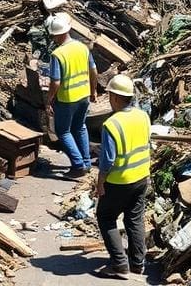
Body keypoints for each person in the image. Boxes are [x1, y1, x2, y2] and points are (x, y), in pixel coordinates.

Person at [95, 74, 151, 279]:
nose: (109, 99)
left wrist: (100, 184)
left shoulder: (112, 124)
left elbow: (107, 161)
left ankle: (119, 264)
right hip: (141, 177)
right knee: (134, 219)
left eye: (110, 95)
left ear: (117, 98)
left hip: (120, 181)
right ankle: (138, 263)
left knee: (106, 216)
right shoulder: (143, 115)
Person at [46, 14, 97, 178]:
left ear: (58, 34)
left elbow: (55, 81)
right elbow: (93, 70)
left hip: (67, 99)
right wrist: (93, 90)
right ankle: (87, 162)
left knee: (63, 132)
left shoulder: (57, 54)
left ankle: (78, 165)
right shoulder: (82, 47)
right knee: (80, 127)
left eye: (53, 35)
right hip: (84, 95)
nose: (53, 38)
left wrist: (48, 101)